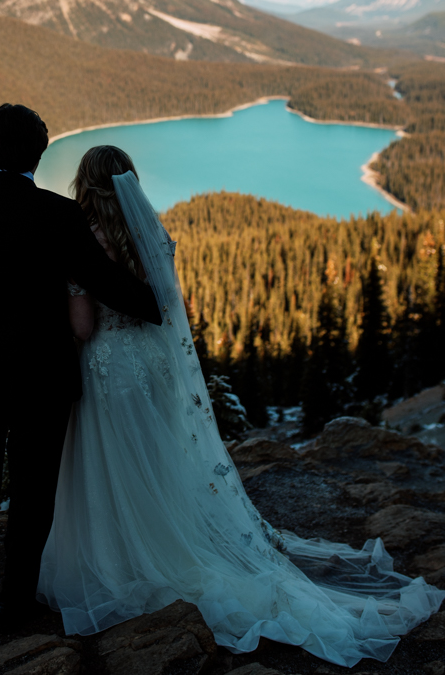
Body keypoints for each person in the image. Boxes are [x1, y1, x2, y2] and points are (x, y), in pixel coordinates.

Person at [38, 145, 444, 667]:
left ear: (84, 185)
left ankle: (125, 555)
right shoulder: (150, 234)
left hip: (110, 369)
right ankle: (170, 538)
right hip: (153, 369)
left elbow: (82, 326)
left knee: (116, 465)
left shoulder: (86, 246)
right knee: (157, 462)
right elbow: (162, 308)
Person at [0, 106, 160, 633]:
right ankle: (15, 601)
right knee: (34, 487)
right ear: (39, 152)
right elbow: (100, 279)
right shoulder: (58, 214)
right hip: (42, 375)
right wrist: (155, 305)